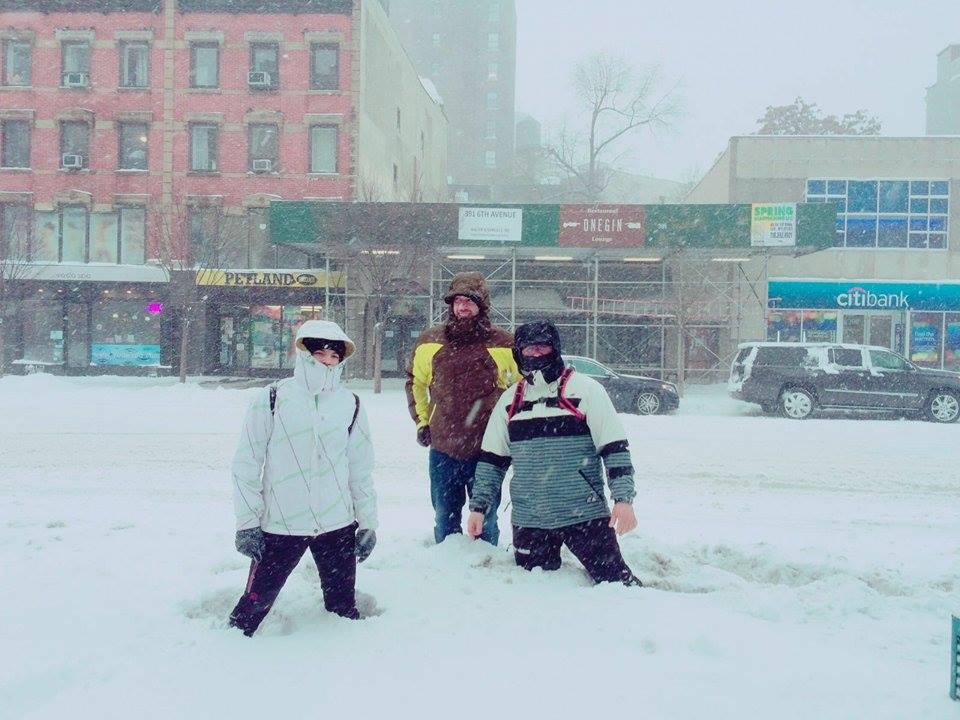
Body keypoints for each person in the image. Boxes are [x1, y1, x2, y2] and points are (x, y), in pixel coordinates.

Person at [228, 320, 378, 636]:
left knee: (342, 612)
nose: (326, 360)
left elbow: (360, 469)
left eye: (333, 355)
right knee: (250, 612)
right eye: (319, 352)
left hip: (336, 525)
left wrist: (367, 524)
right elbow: (246, 464)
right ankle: (228, 653)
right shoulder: (272, 398)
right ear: (303, 353)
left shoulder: (350, 404)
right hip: (281, 524)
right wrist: (247, 524)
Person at [466, 320, 642, 586]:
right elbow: (492, 462)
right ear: (518, 352)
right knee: (537, 592)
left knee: (617, 585)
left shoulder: (587, 391)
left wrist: (623, 499)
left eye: (542, 347)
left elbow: (615, 448)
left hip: (584, 516)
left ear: (555, 348)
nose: (536, 354)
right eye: (528, 348)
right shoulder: (509, 401)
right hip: (530, 521)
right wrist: (478, 508)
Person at [405, 271, 518, 545]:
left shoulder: (504, 343)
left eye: (470, 300)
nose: (462, 306)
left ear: (482, 305)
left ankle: (486, 567)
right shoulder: (430, 341)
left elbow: (519, 390)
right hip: (444, 447)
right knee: (445, 517)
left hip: (488, 450)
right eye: (457, 301)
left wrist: (513, 429)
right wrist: (422, 422)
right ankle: (447, 572)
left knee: (486, 520)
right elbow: (416, 383)